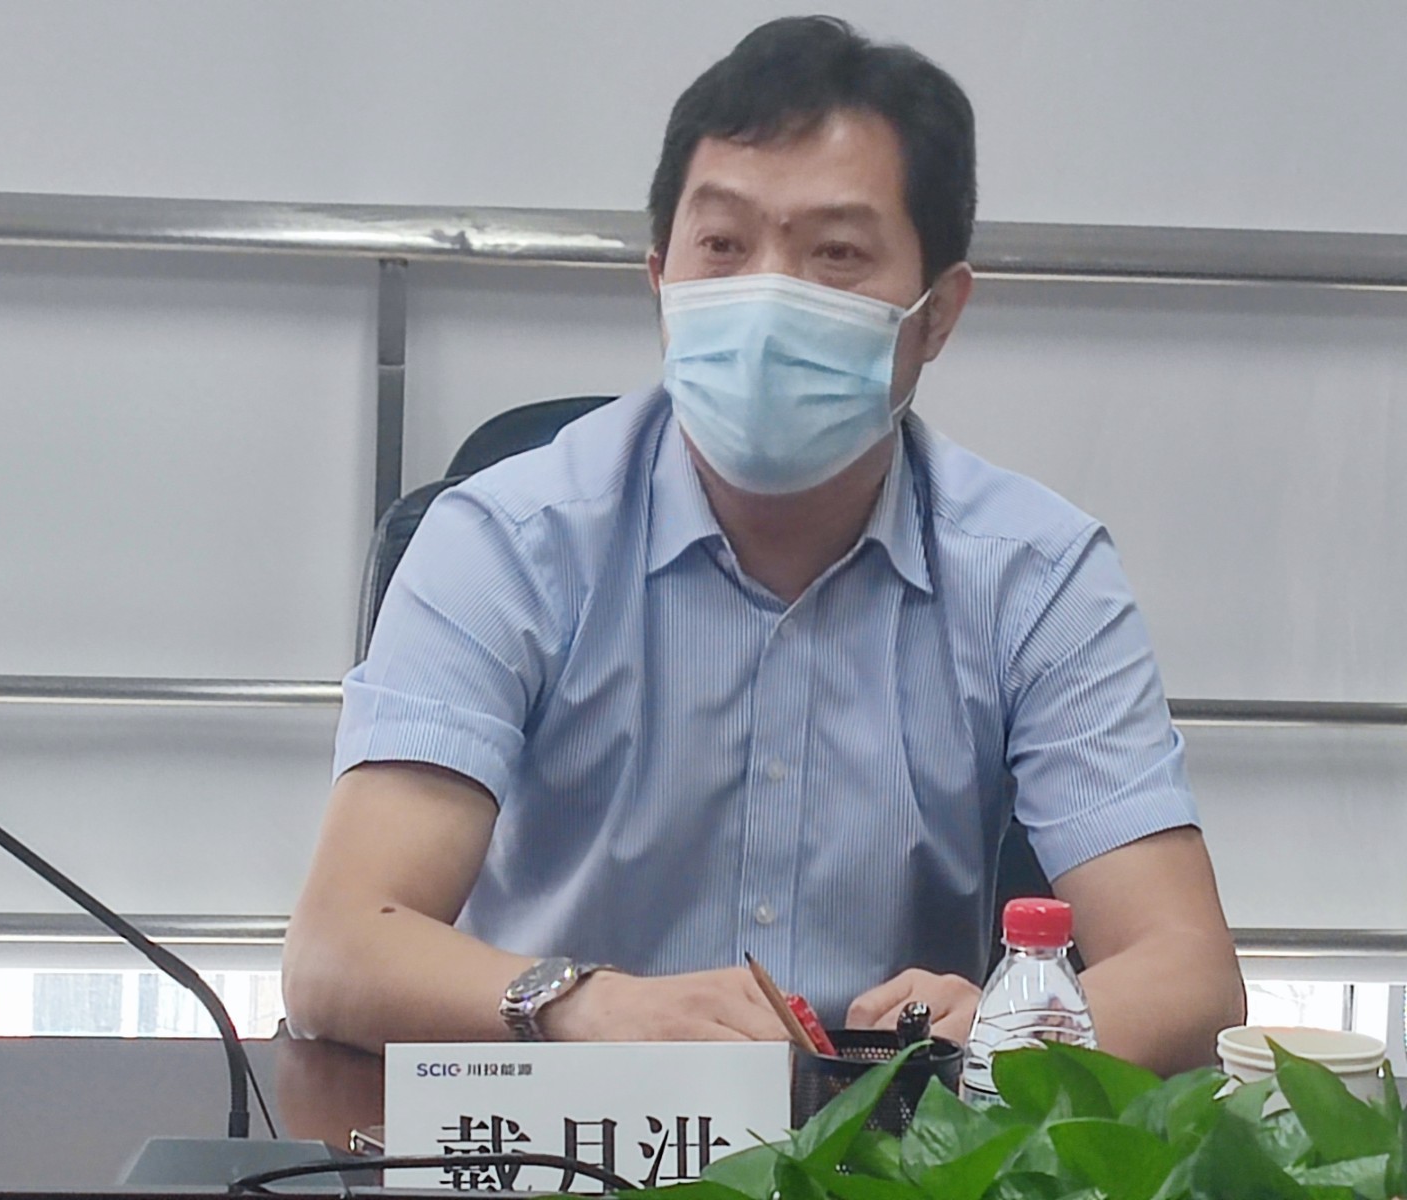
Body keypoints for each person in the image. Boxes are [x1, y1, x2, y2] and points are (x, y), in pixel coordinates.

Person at [282, 15, 1245, 1074]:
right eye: (724, 247)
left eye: (836, 254)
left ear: (937, 315)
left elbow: (1187, 974)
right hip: (570, 1118)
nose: (768, 297)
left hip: (882, 1131)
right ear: (660, 278)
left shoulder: (1036, 576)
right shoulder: (506, 542)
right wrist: (589, 1008)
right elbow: (339, 949)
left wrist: (1004, 1037)